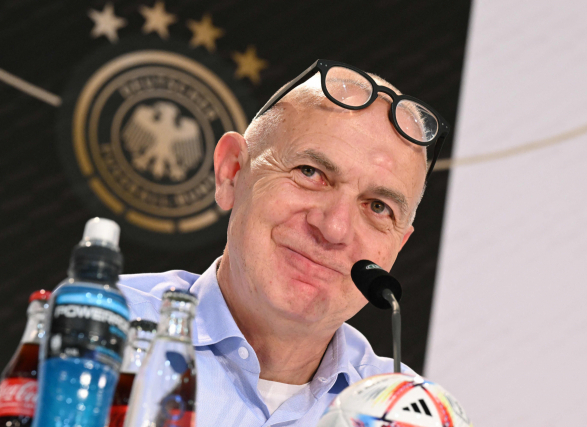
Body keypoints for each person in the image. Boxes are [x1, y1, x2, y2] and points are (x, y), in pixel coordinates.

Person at [119, 59, 449, 426]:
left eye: (377, 207)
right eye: (311, 173)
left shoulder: (411, 415)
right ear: (232, 172)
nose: (335, 228)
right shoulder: (97, 330)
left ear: (397, 247)